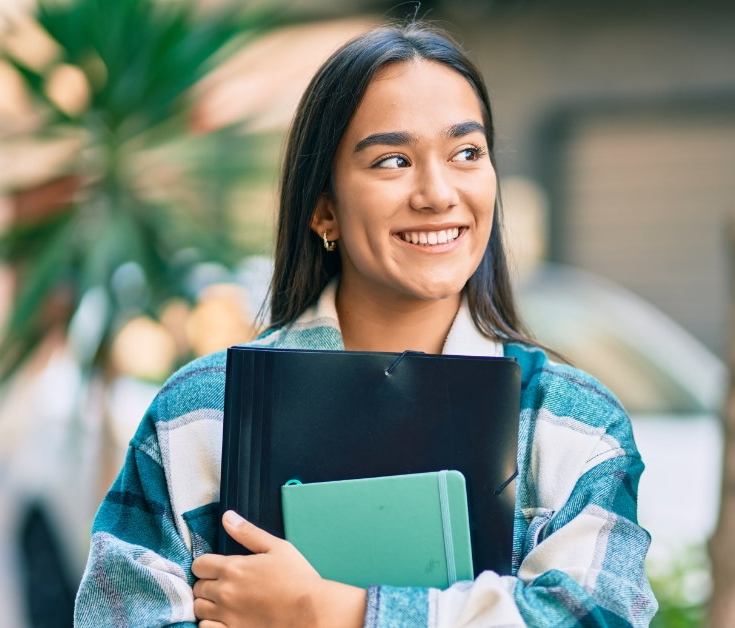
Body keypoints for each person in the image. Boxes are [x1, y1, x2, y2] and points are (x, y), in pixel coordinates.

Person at [73, 21, 656, 627]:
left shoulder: (574, 427)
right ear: (323, 207)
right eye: (393, 160)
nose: (437, 193)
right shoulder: (199, 416)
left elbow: (596, 617)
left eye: (466, 153)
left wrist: (337, 612)